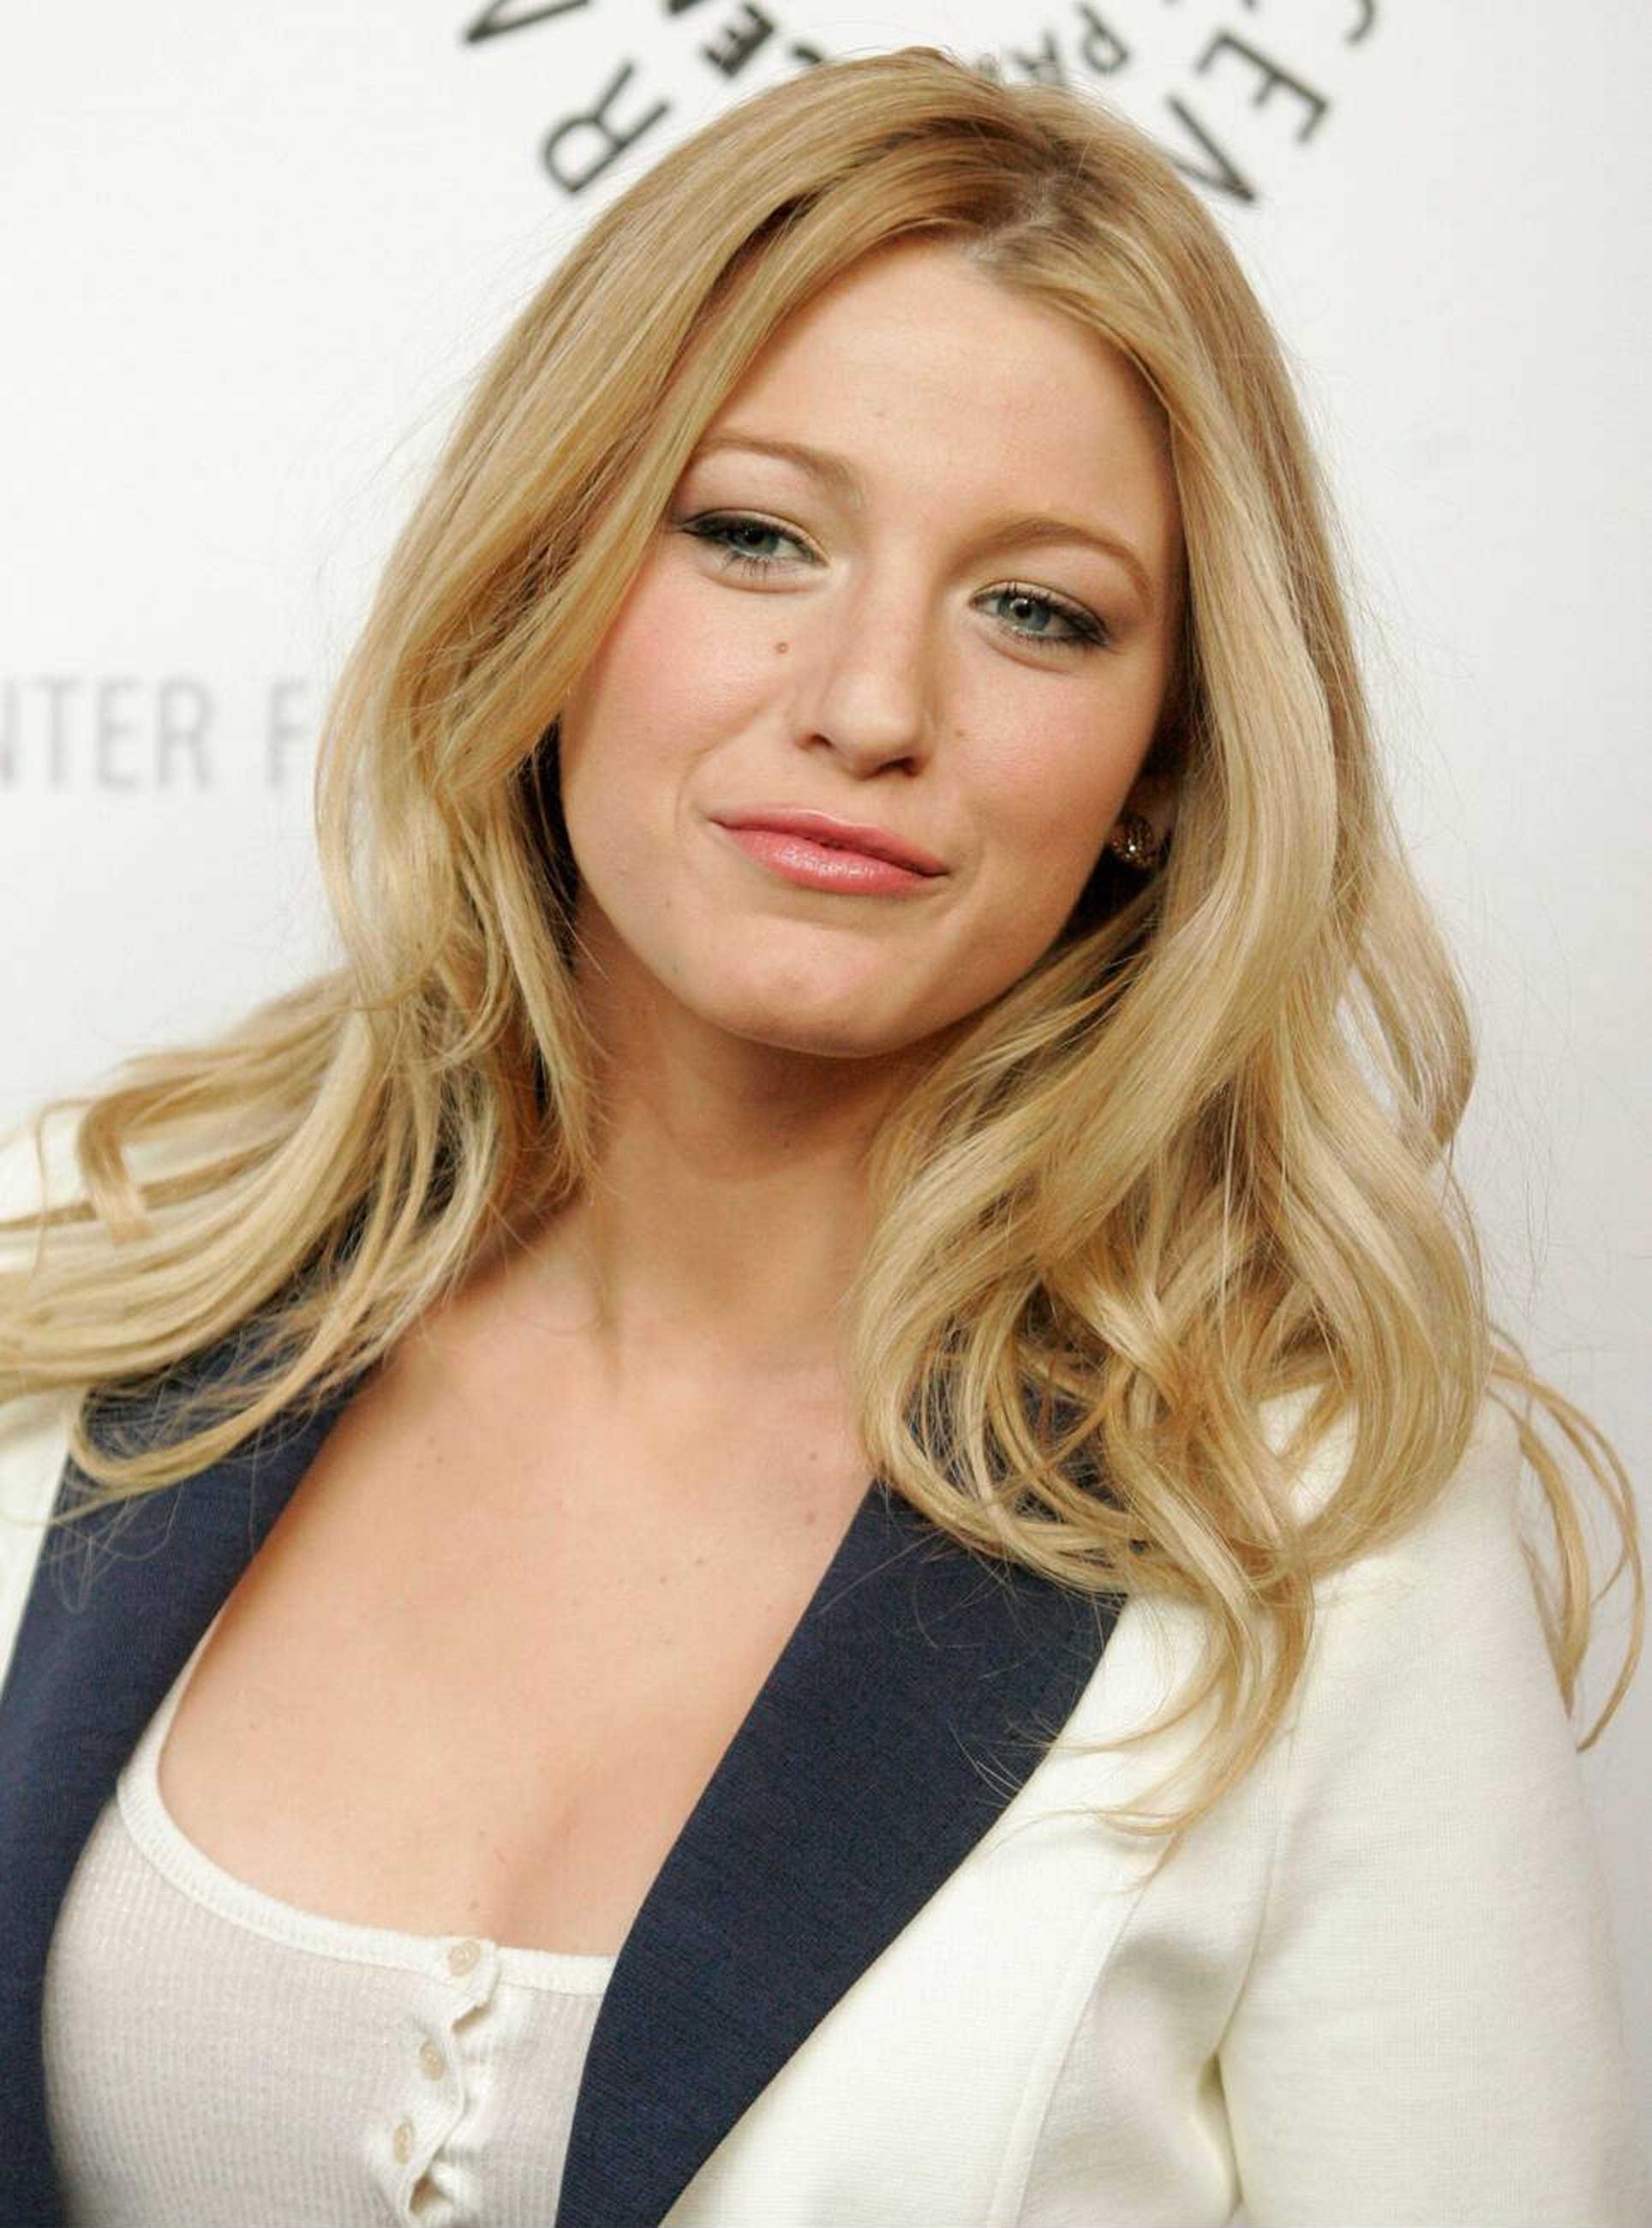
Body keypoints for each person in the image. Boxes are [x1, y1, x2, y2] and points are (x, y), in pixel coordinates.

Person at [0, 42, 1644, 2228]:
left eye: (1035, 610)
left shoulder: (1312, 1541)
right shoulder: (77, 1291)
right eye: (754, 535)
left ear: (1163, 761)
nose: (871, 706)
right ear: (545, 584)